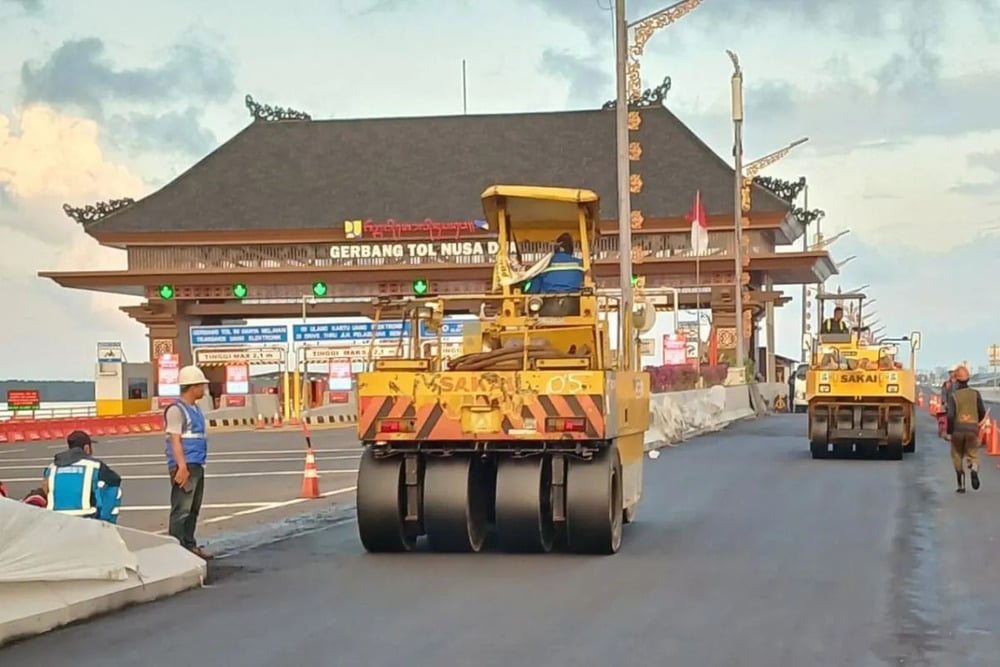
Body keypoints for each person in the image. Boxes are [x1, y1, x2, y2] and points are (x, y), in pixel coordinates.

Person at [165, 365, 213, 559]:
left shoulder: (195, 408)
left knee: (193, 508)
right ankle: (176, 549)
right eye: (201, 385)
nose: (203, 389)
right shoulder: (176, 410)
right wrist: (181, 467)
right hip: (184, 465)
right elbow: (175, 439)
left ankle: (189, 544)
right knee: (181, 509)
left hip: (196, 464)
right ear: (192, 387)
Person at [41, 430, 122, 520]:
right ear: (87, 448)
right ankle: (106, 526)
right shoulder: (94, 465)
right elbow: (115, 480)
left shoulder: (52, 467)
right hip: (85, 519)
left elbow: (45, 488)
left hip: (55, 518)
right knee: (114, 491)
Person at [945, 364, 986, 493]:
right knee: (973, 454)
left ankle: (961, 485)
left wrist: (950, 432)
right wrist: (976, 423)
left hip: (957, 430)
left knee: (957, 455)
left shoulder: (954, 396)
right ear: (968, 379)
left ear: (956, 380)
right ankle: (973, 468)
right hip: (972, 430)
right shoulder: (976, 394)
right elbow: (982, 411)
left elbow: (950, 416)